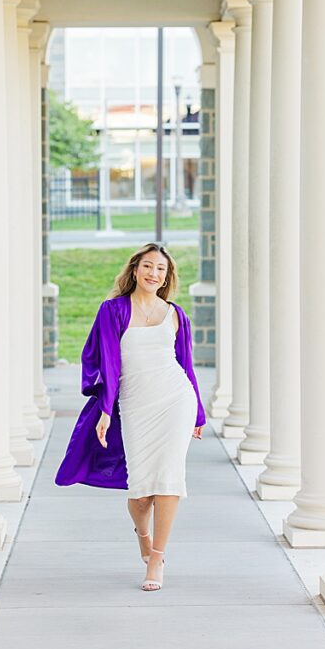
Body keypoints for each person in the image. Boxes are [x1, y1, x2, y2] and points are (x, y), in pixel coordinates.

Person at [55, 242, 207, 591]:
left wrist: (197, 410)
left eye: (162, 269)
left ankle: (157, 557)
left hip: (175, 400)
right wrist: (106, 409)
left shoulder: (175, 314)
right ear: (135, 269)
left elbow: (185, 364)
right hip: (136, 404)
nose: (154, 274)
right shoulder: (113, 311)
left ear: (167, 277)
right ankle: (143, 534)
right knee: (140, 494)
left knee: (169, 479)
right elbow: (107, 362)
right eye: (149, 266)